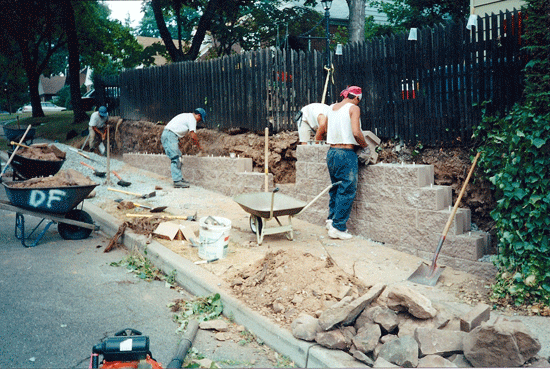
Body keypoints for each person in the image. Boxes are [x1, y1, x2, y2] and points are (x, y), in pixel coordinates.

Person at [314, 86, 369, 240]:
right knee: (347, 190)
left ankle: (330, 221)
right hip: (346, 153)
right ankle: (338, 228)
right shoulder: (353, 108)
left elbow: (322, 128)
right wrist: (365, 147)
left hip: (332, 153)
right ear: (357, 98)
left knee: (336, 188)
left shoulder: (331, 108)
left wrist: (317, 141)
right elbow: (356, 132)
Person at [161, 108, 205, 188]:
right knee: (176, 158)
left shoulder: (187, 116)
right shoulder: (192, 119)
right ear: (198, 115)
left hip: (170, 135)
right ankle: (177, 181)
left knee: (179, 157)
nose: (199, 121)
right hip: (169, 135)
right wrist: (199, 146)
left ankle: (179, 179)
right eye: (201, 119)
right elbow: (193, 135)